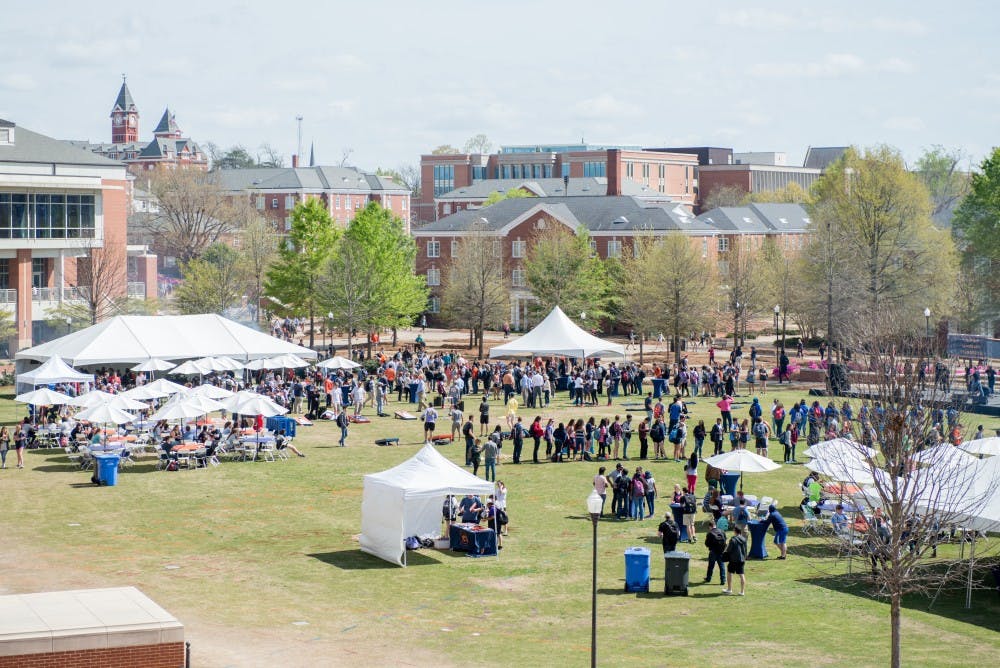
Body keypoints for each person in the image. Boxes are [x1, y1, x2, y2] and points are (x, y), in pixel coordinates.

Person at [723, 526, 748, 595]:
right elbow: (745, 550)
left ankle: (729, 589)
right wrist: (745, 557)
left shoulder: (733, 539)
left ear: (735, 531)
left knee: (729, 573)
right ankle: (742, 591)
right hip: (742, 560)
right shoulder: (744, 539)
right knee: (741, 575)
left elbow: (729, 550)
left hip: (733, 560)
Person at [704, 518, 727, 584]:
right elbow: (725, 540)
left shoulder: (710, 533)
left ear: (710, 526)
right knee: (721, 566)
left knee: (711, 566)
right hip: (721, 551)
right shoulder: (722, 531)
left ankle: (708, 578)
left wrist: (710, 546)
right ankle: (723, 580)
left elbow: (706, 544)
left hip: (713, 551)